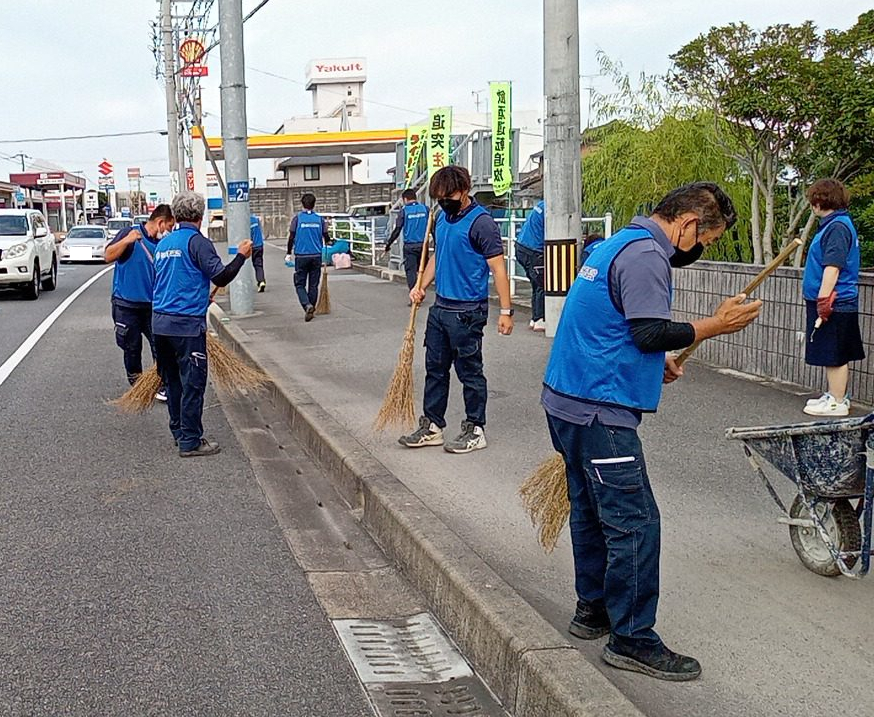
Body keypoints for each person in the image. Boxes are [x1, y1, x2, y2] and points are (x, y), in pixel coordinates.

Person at [542, 183, 761, 681]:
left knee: (591, 510)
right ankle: (632, 638)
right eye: (705, 239)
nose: (701, 250)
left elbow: (615, 328)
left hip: (568, 400)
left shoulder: (617, 242)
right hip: (600, 411)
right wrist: (713, 325)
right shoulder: (647, 256)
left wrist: (656, 360)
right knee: (635, 522)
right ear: (687, 224)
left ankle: (593, 609)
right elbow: (646, 331)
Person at [399, 166, 514, 454]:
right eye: (439, 196)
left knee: (470, 372)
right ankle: (433, 426)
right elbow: (439, 256)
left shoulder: (482, 223)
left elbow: (498, 269)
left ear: (464, 190)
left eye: (448, 195)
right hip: (441, 308)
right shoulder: (440, 219)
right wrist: (422, 285)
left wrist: (506, 311)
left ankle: (476, 428)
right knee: (435, 369)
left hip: (467, 311)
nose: (443, 200)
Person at [152, 191, 253, 458]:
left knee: (172, 382)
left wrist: (199, 295)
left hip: (160, 324)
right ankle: (191, 441)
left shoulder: (164, 244)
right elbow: (221, 274)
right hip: (186, 326)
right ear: (200, 215)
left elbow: (167, 282)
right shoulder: (198, 242)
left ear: (175, 216)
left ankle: (179, 432)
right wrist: (241, 256)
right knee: (193, 384)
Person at [802, 179, 865, 417]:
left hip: (835, 300)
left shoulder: (837, 227)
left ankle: (838, 400)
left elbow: (833, 266)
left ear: (820, 201)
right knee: (831, 350)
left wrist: (823, 300)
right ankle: (834, 395)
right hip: (834, 299)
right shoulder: (835, 224)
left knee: (835, 351)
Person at [104, 204, 176, 400]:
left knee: (160, 346)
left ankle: (161, 384)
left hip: (153, 306)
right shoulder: (130, 234)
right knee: (132, 347)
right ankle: (138, 386)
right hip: (126, 305)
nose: (170, 231)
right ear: (160, 222)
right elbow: (108, 255)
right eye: (169, 227)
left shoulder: (163, 245)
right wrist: (126, 241)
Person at [285, 193, 328, 322]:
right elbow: (326, 236)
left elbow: (291, 237)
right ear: (314, 204)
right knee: (313, 285)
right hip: (316, 256)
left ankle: (307, 305)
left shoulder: (297, 219)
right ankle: (312, 308)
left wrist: (288, 253)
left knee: (299, 284)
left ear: (302, 204)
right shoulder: (320, 220)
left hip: (301, 256)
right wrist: (329, 241)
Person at [384, 188, 430, 292]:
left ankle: (414, 293)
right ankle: (422, 290)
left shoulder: (404, 211)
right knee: (423, 269)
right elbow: (432, 227)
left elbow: (397, 229)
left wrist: (388, 244)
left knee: (411, 271)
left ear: (405, 199)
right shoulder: (425, 209)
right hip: (423, 245)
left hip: (410, 246)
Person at [515, 200, 546, 331]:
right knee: (542, 284)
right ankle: (539, 319)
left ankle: (534, 318)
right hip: (534, 249)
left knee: (535, 283)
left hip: (521, 246)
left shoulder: (541, 205)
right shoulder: (551, 209)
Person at [250, 213, 266, 292]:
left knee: (246, 265)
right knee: (259, 265)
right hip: (259, 245)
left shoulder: (244, 222)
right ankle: (261, 281)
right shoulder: (255, 219)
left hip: (252, 246)